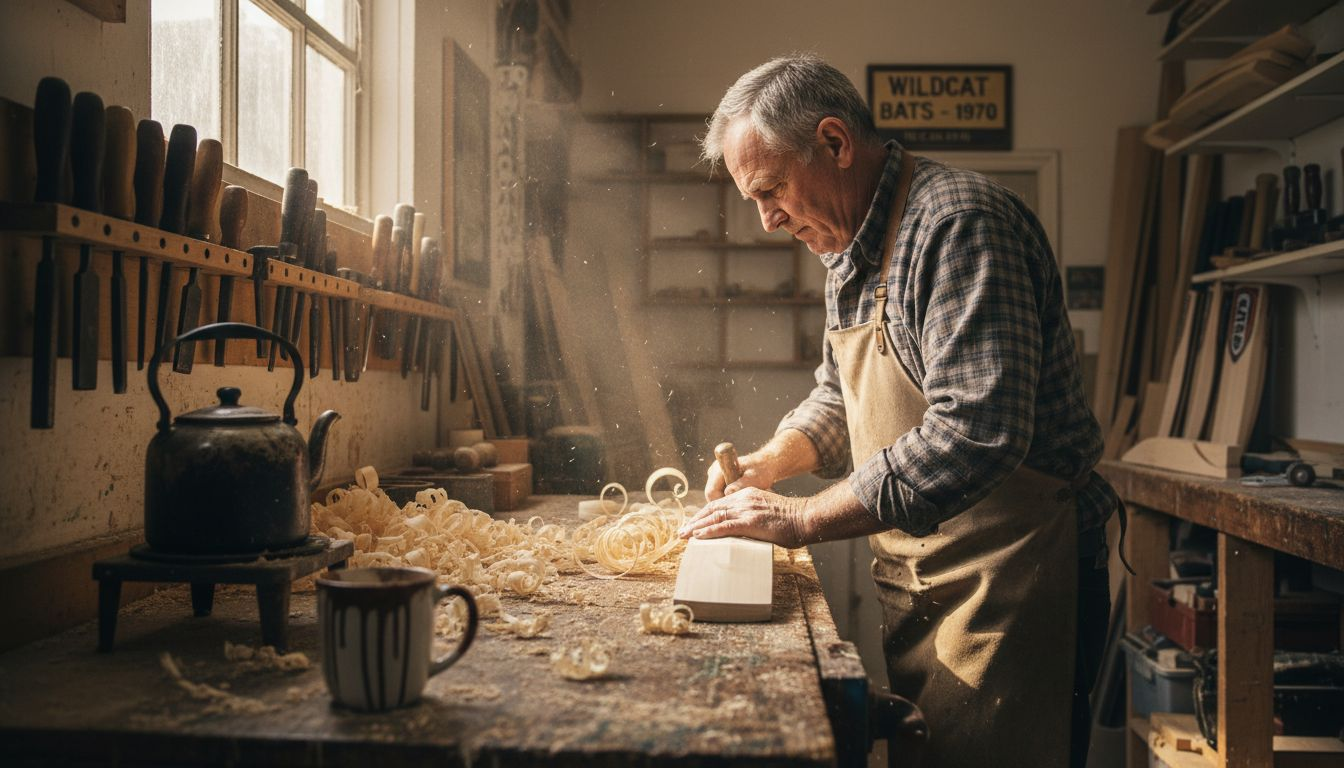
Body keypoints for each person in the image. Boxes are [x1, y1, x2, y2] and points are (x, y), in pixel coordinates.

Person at [678, 54, 1118, 768]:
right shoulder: (850, 246)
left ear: (834, 143)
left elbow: (977, 431)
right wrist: (771, 462)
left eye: (771, 191)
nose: (766, 221)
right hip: (932, 575)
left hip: (1018, 578)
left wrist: (800, 519)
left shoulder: (959, 227)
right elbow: (836, 392)